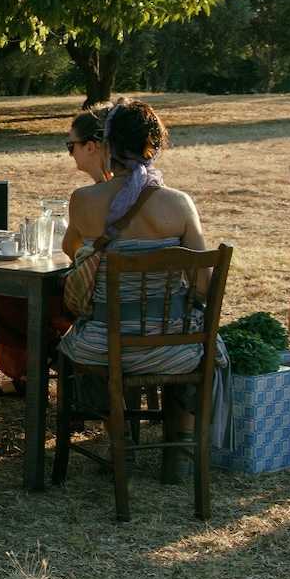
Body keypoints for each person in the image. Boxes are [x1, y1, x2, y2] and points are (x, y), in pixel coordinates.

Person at [56, 100, 218, 443]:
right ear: (154, 146)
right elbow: (203, 288)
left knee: (80, 338)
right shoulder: (179, 203)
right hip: (174, 348)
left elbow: (70, 250)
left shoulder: (83, 200)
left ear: (107, 145)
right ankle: (181, 451)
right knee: (199, 341)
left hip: (103, 343)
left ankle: (120, 442)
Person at [0, 108, 106, 396]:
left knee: (7, 291)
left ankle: (46, 358)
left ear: (91, 146)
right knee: (7, 290)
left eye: (70, 146)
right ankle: (38, 364)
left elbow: (69, 250)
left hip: (94, 296)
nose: (70, 154)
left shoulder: (92, 197)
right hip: (108, 292)